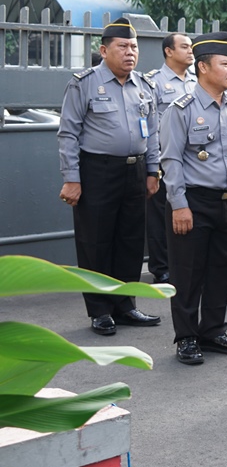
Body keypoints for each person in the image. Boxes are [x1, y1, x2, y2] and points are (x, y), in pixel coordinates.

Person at [159, 32, 227, 365]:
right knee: (188, 272)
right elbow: (170, 160)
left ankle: (213, 330)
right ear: (203, 67)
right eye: (226, 64)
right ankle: (186, 336)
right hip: (194, 201)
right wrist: (179, 205)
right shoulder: (182, 109)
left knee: (222, 268)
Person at [57, 17, 162, 335]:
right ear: (104, 50)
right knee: (96, 241)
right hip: (97, 172)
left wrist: (153, 170)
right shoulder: (84, 83)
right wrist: (72, 178)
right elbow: (68, 133)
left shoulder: (145, 86)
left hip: (136, 169)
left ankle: (125, 304)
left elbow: (153, 133)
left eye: (134, 47)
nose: (130, 53)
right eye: (122, 47)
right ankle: (100, 310)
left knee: (130, 241)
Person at [145, 32, 195, 285]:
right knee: (161, 216)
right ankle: (161, 267)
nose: (190, 51)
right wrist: (152, 167)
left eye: (191, 47)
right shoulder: (153, 82)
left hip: (194, 161)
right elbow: (149, 125)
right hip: (166, 158)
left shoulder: (197, 81)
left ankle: (186, 264)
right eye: (184, 46)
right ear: (168, 51)